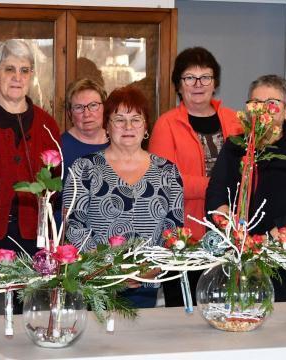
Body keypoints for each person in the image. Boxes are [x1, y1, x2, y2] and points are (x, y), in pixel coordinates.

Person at [63, 86, 184, 308]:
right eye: (119, 119)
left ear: (146, 125)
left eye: (136, 119)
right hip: (96, 285)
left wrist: (149, 269)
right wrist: (109, 267)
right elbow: (74, 227)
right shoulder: (84, 168)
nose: (128, 127)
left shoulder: (168, 171)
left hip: (148, 286)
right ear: (107, 126)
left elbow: (173, 231)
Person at [206, 74, 286, 301]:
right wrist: (229, 228)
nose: (262, 110)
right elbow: (215, 192)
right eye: (255, 104)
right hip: (233, 253)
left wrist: (267, 240)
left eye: (272, 104)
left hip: (279, 259)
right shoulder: (234, 147)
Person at [149, 47, 241, 307]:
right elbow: (165, 181)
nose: (198, 84)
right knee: (184, 317)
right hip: (183, 239)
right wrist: (217, 188)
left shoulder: (236, 121)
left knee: (230, 308)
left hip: (232, 236)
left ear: (216, 83)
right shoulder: (166, 125)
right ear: (179, 85)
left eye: (206, 77)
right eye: (190, 77)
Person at [0, 39, 61, 272]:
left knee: (31, 306)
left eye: (24, 70)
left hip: (33, 237)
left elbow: (57, 183)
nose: (18, 77)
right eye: (9, 69)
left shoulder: (47, 124)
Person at [62, 78, 109, 171]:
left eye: (93, 105)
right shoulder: (59, 147)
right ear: (70, 113)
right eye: (79, 107)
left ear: (104, 108)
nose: (87, 114)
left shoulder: (118, 143)